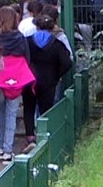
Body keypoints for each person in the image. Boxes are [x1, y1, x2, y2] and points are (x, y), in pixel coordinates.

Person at [23, 13, 73, 149]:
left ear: (36, 26)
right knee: (46, 109)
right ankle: (44, 137)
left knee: (29, 108)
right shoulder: (57, 44)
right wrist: (56, 74)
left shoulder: (27, 42)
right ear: (52, 27)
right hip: (48, 81)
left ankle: (30, 137)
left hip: (29, 80)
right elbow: (67, 63)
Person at [0, 6, 28, 162]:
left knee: (0, 112)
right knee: (11, 114)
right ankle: (8, 150)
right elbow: (27, 58)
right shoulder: (20, 38)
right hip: (16, 79)